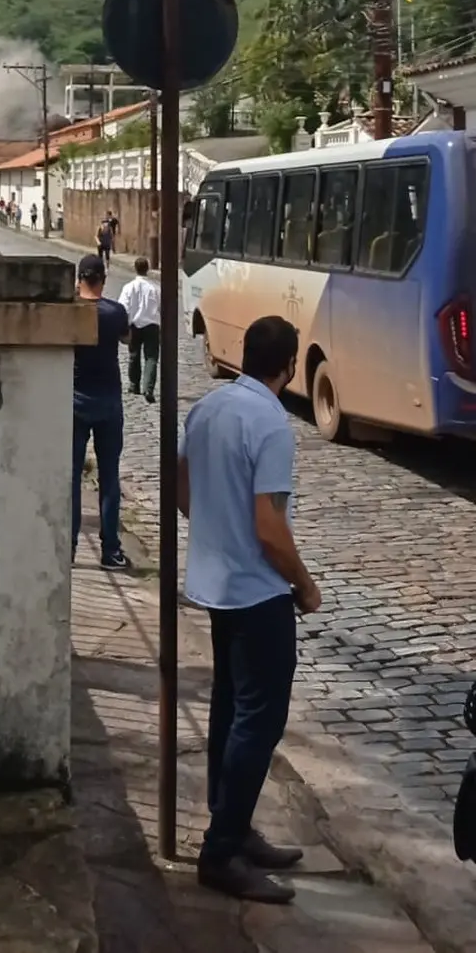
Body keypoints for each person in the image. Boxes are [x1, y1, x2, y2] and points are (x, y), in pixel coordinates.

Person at [177, 316, 322, 906]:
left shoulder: (208, 407)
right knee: (258, 721)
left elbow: (182, 483)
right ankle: (221, 851)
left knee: (230, 710)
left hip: (217, 585)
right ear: (289, 366)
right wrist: (305, 586)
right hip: (258, 592)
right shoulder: (270, 422)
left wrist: (215, 527)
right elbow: (270, 526)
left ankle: (232, 826)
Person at [72, 254, 130, 570]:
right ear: (103, 280)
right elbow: (127, 337)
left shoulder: (71, 310)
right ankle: (111, 551)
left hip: (75, 400)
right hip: (108, 400)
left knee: (71, 478)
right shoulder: (115, 312)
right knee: (109, 477)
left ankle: (68, 547)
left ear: (79, 279)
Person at [118, 257, 161, 401]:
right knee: (151, 358)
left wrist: (124, 326)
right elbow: (161, 307)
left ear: (135, 268)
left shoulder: (129, 287)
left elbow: (123, 307)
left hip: (134, 325)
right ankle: (148, 388)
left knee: (134, 356)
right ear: (147, 269)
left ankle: (134, 385)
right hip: (152, 325)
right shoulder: (155, 288)